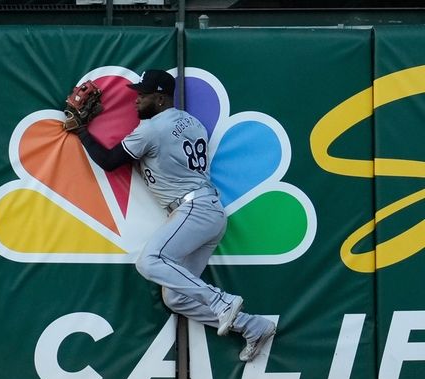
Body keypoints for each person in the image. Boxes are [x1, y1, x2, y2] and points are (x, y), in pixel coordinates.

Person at [75, 69, 276, 362]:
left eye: (143, 95)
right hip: (208, 212)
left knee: (149, 261)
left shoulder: (151, 129)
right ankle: (252, 326)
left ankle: (221, 301)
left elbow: (109, 161)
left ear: (160, 98)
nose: (136, 100)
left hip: (193, 208)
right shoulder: (191, 122)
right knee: (176, 297)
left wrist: (82, 131)